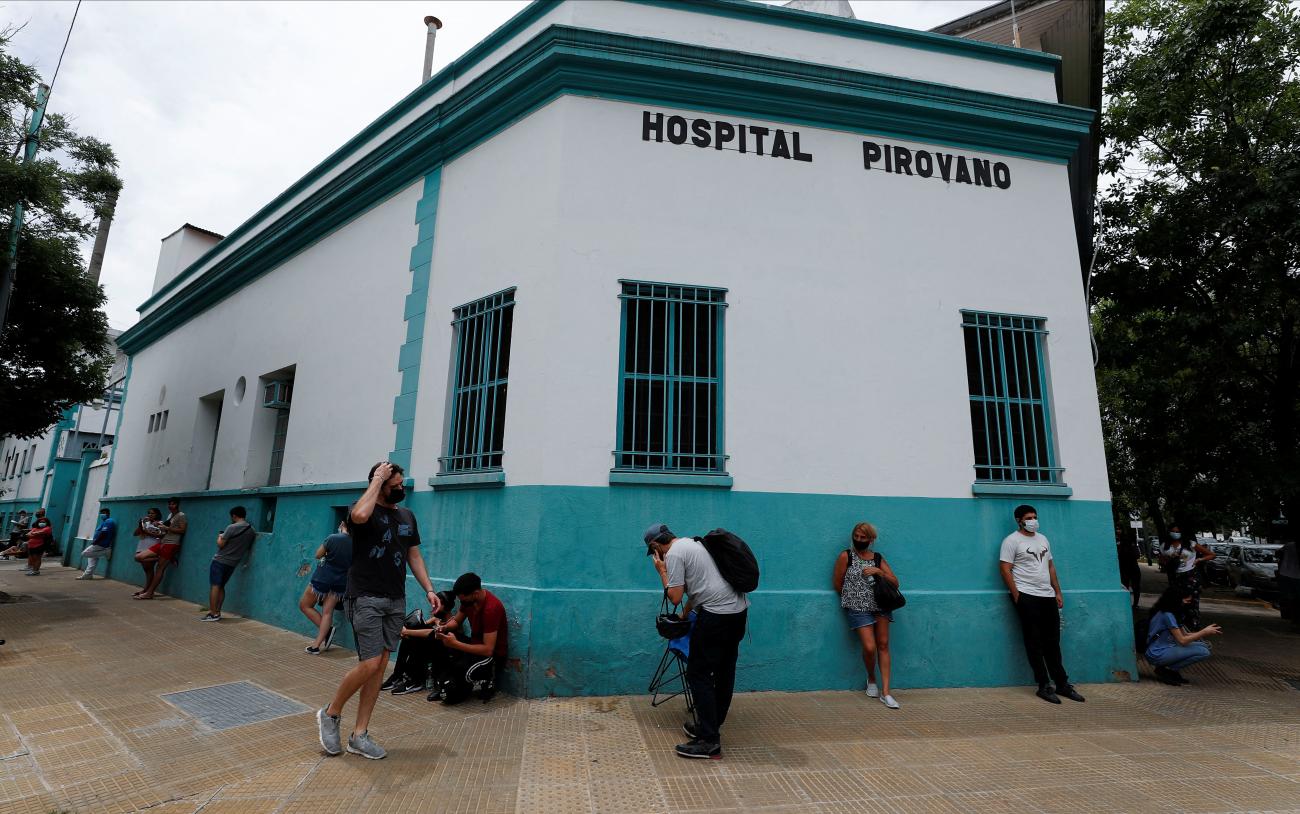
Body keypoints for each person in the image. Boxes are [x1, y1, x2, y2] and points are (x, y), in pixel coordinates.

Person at [316, 462, 440, 761]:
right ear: (380, 483)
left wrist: (429, 589)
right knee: (370, 663)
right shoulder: (363, 510)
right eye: (394, 484)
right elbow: (358, 515)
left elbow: (414, 554)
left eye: (401, 484)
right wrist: (376, 480)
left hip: (394, 598)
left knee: (381, 664)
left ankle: (360, 735)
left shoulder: (407, 516)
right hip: (366, 595)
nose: (400, 489)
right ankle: (331, 714)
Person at [645, 522, 748, 760]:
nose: (655, 556)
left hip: (716, 616)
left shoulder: (674, 554)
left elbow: (675, 596)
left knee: (698, 673)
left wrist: (661, 571)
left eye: (653, 552)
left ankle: (709, 741)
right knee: (724, 672)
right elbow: (697, 589)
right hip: (738, 612)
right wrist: (683, 617)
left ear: (655, 546)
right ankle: (709, 726)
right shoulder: (695, 544)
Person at [998, 505, 1085, 704]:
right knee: (1034, 642)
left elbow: (1050, 566)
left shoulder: (1043, 538)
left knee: (1052, 641)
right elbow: (1005, 568)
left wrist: (1057, 591)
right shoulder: (1011, 541)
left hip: (1047, 596)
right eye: (1028, 517)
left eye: (1035, 516)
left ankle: (1062, 684)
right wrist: (1017, 595)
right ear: (1019, 520)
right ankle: (1044, 685)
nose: (1033, 520)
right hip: (1026, 596)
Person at [832, 521, 901, 709]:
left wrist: (879, 572)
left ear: (871, 539)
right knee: (870, 647)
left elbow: (896, 582)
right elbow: (838, 583)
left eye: (863, 537)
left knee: (883, 644)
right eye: (856, 536)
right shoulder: (846, 556)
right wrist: (854, 597)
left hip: (881, 606)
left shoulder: (877, 558)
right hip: (857, 607)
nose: (859, 540)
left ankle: (886, 693)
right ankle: (871, 678)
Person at [429, 574, 509, 705]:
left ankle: (487, 679)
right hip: (474, 644)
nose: (462, 603)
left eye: (464, 599)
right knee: (437, 639)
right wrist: (443, 629)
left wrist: (455, 644)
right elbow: (456, 622)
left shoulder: (491, 609)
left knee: (462, 676)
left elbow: (488, 649)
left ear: (475, 593)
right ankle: (442, 683)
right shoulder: (468, 602)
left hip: (491, 655)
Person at [382, 590, 459, 697]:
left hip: (442, 659)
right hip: (431, 654)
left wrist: (406, 631)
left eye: (438, 604)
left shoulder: (452, 623)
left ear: (447, 606)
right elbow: (422, 626)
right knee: (413, 631)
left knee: (416, 635)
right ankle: (398, 675)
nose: (433, 607)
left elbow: (431, 634)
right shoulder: (438, 620)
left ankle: (415, 680)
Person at [1144, 584, 1222, 685]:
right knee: (1203, 652)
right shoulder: (1168, 615)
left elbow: (1185, 635)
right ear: (1176, 599)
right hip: (1157, 653)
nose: (1187, 604)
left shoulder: (1173, 612)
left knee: (1204, 646)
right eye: (1186, 601)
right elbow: (1182, 640)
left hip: (1167, 647)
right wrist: (1204, 632)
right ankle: (1168, 670)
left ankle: (1169, 670)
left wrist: (1205, 631)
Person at [300, 521, 353, 654]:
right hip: (341, 581)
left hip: (323, 578)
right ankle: (316, 646)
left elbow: (318, 555)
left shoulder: (333, 538)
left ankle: (327, 631)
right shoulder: (358, 542)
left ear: (342, 524)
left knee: (305, 605)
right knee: (328, 612)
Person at [202, 506, 256, 622]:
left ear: (234, 516)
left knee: (215, 586)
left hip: (220, 560)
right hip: (233, 563)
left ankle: (212, 613)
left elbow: (221, 544)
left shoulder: (231, 527)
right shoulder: (251, 530)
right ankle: (218, 612)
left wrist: (219, 536)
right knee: (221, 586)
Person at [1159, 526, 1214, 628]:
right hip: (1175, 577)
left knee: (1192, 604)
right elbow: (1162, 561)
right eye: (1173, 531)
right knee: (1177, 603)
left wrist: (1199, 560)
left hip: (1190, 576)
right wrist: (1169, 560)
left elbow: (1211, 555)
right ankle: (1179, 628)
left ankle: (1194, 627)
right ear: (1169, 532)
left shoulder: (1190, 544)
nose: (1175, 533)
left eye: (1178, 531)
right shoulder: (1164, 546)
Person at [135, 498, 186, 599]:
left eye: (173, 504)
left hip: (171, 543)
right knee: (139, 557)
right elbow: (164, 530)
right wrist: (158, 525)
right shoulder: (170, 515)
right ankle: (167, 559)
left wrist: (167, 528)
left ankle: (149, 593)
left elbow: (182, 530)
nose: (171, 506)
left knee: (159, 568)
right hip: (163, 542)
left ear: (178, 505)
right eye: (169, 504)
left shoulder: (181, 515)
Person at [78, 507, 118, 580]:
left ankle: (105, 552)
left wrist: (96, 541)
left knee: (84, 553)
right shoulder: (104, 522)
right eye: (101, 513)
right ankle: (88, 575)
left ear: (108, 514)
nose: (102, 515)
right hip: (99, 543)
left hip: (101, 544)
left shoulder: (109, 521)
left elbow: (104, 533)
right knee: (92, 560)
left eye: (103, 513)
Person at [131, 508, 165, 593]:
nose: (150, 515)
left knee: (148, 567)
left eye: (153, 513)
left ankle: (147, 589)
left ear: (157, 514)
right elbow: (135, 533)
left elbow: (161, 535)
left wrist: (147, 532)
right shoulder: (145, 523)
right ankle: (147, 589)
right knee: (147, 569)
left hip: (152, 545)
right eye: (149, 513)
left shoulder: (160, 523)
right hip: (142, 545)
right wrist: (140, 525)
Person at [1276, 530, 1300, 632]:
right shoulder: (1289, 545)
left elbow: (1277, 553)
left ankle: (1294, 621)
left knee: (1292, 598)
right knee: (1295, 599)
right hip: (1293, 575)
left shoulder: (1288, 545)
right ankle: (1295, 621)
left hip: (1287, 574)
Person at [1115, 529, 1142, 609]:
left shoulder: (1122, 546)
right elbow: (1137, 555)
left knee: (1126, 586)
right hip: (1132, 568)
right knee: (1135, 587)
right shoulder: (1132, 546)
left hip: (1126, 569)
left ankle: (1127, 603)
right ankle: (1135, 604)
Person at [21, 508, 53, 576]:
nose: (42, 523)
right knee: (32, 557)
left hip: (39, 545)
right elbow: (28, 534)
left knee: (37, 558)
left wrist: (33, 534)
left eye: (44, 522)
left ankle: (36, 570)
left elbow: (37, 533)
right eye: (41, 522)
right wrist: (32, 534)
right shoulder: (35, 528)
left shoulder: (47, 528)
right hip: (31, 545)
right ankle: (32, 569)